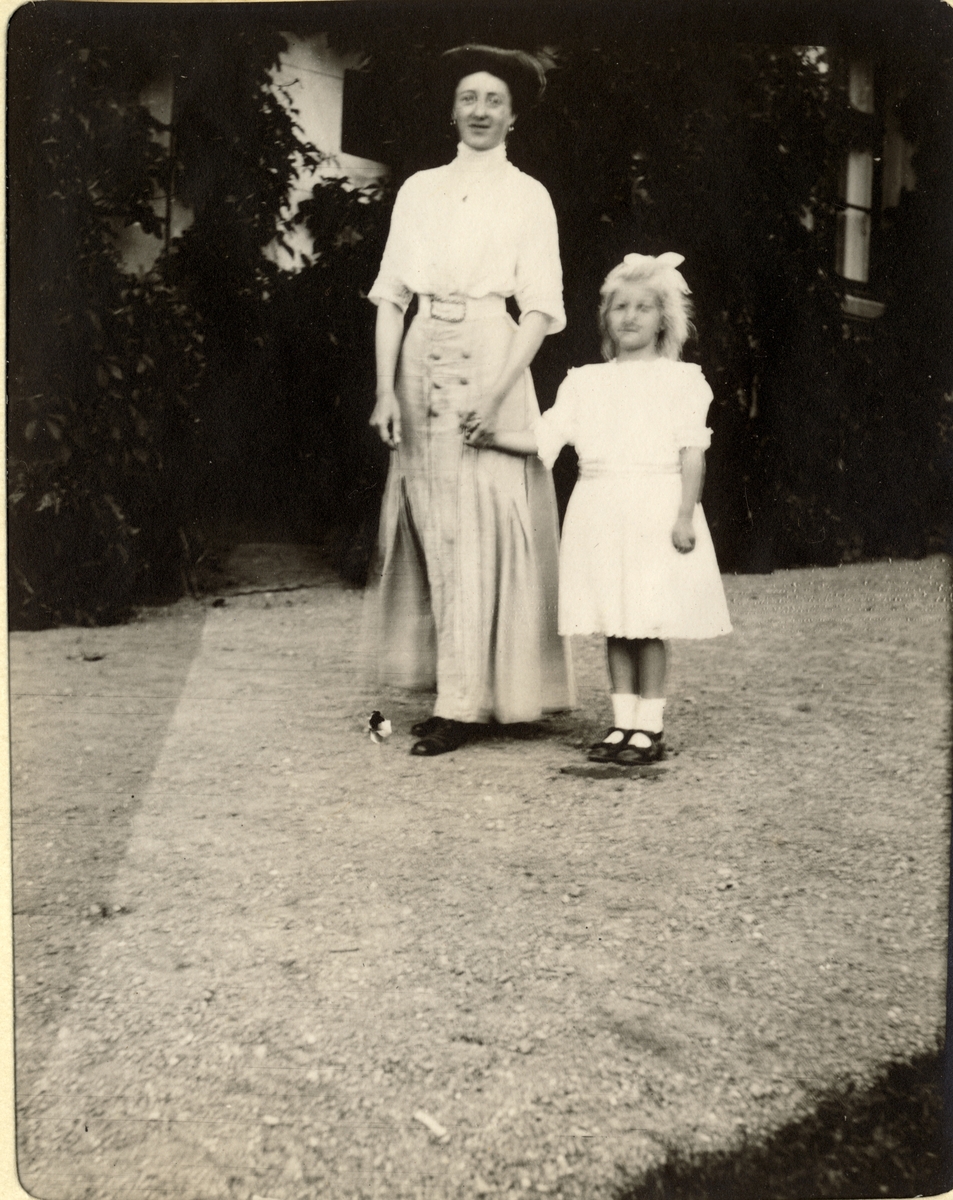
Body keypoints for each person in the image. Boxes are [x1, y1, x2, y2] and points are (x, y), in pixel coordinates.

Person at [365, 44, 574, 756]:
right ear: (451, 111)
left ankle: (476, 702)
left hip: (492, 354)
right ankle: (454, 691)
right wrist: (384, 391)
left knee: (485, 524)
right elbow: (391, 298)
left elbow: (539, 310)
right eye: (468, 98)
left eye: (494, 100)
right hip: (420, 354)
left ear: (514, 116)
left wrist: (498, 390)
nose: (480, 111)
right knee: (435, 525)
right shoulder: (419, 190)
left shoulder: (528, 195)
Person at [475, 252, 732, 763]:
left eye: (643, 307)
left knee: (648, 622)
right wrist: (490, 436)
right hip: (600, 508)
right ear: (605, 317)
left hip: (656, 507)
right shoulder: (585, 382)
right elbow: (545, 437)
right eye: (620, 307)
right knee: (616, 620)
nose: (630, 316)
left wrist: (685, 514)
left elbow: (692, 453)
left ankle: (649, 728)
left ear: (663, 320)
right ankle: (621, 724)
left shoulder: (681, 380)